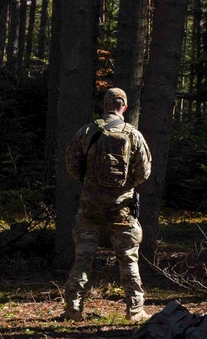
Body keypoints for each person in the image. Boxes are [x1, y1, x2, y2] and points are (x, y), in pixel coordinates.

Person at [61, 88, 153, 322]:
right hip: (122, 207)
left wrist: (88, 182)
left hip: (90, 206)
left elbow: (71, 165)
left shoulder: (88, 131)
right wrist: (126, 185)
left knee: (83, 257)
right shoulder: (134, 134)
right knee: (128, 257)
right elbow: (144, 171)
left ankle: (73, 308)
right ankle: (135, 310)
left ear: (104, 105)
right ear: (124, 107)